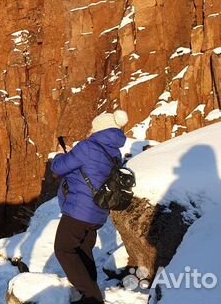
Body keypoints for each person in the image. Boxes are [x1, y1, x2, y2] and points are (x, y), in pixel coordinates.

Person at [52, 110, 129, 304]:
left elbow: (58, 168)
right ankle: (90, 291)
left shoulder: (87, 147)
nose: (90, 131)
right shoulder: (114, 151)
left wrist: (60, 155)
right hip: (98, 212)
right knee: (83, 250)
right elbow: (91, 169)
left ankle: (92, 297)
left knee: (63, 249)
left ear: (99, 129)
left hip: (79, 211)